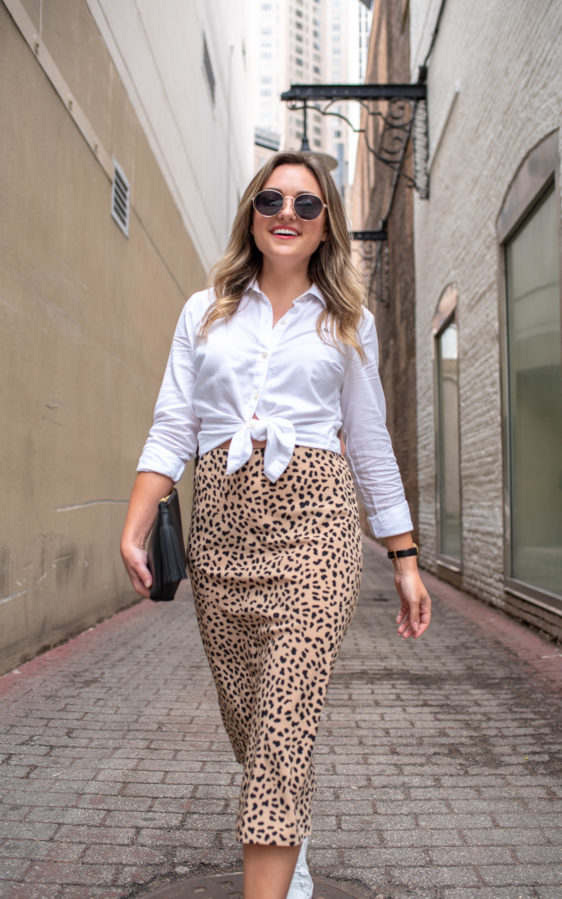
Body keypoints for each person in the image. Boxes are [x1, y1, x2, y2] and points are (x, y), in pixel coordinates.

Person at [120, 151, 431, 899]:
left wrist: (405, 554)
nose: (287, 214)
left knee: (284, 716)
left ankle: (274, 865)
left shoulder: (349, 319)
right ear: (252, 216)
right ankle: (292, 829)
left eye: (307, 204)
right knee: (249, 717)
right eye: (272, 201)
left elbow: (370, 440)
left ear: (326, 226)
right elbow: (173, 426)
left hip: (317, 523)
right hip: (223, 524)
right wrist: (133, 526)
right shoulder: (204, 311)